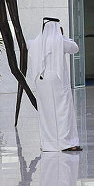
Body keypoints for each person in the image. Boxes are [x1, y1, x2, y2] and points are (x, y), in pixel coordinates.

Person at [28, 17, 82, 151]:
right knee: (63, 111)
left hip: (41, 80)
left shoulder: (35, 42)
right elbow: (75, 48)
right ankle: (67, 143)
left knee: (46, 113)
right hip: (57, 80)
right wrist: (63, 36)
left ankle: (48, 144)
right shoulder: (60, 41)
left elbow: (28, 43)